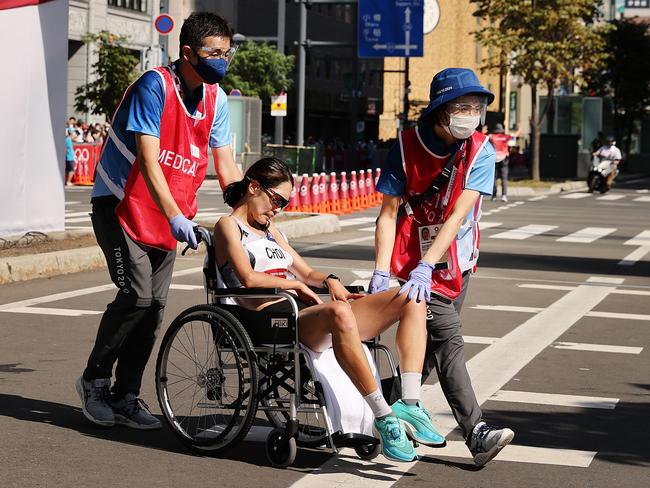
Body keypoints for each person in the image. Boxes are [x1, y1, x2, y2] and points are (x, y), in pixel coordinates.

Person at [213, 157, 446, 462]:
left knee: (411, 297)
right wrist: (294, 287)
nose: (278, 209)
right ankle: (383, 416)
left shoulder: (273, 233)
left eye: (284, 203)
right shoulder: (228, 225)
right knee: (338, 312)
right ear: (254, 187)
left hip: (300, 313)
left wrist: (330, 281)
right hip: (267, 318)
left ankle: (410, 403)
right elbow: (247, 277)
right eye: (276, 200)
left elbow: (307, 273)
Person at [75, 12, 241, 431]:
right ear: (187, 52)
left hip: (169, 215)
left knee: (155, 311)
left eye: (227, 52)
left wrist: (248, 210)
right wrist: (174, 216)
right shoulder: (154, 86)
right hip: (120, 205)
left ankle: (126, 396)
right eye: (214, 53)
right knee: (138, 296)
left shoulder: (216, 98)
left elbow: (224, 162)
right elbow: (149, 160)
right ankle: (94, 382)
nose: (223, 60)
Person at [369, 68, 515, 467]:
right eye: (462, 106)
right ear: (440, 112)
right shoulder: (405, 145)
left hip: (457, 262)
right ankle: (477, 432)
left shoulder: (481, 150)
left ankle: (372, 407)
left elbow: (457, 216)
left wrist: (432, 264)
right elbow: (388, 212)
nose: (472, 114)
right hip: (415, 264)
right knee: (449, 340)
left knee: (430, 352)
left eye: (477, 107)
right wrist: (383, 270)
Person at [488, 123, 512, 202]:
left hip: (494, 159)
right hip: (504, 159)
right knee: (504, 178)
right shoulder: (505, 137)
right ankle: (504, 195)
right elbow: (515, 135)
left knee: (494, 178)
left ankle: (494, 196)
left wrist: (483, 130)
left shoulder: (491, 136)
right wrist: (519, 128)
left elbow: (483, 137)